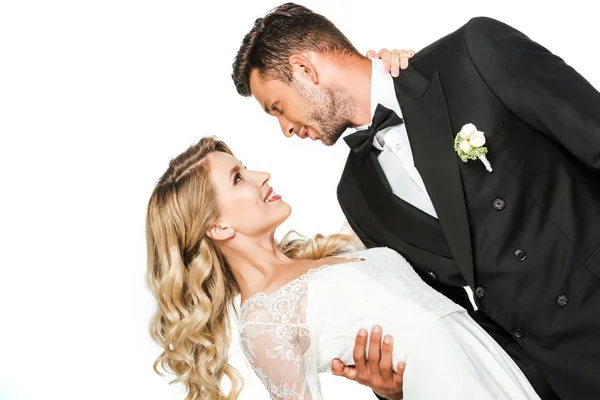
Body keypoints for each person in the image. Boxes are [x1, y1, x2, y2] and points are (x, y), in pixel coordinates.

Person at [231, 3, 600, 400]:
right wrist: (393, 389)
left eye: (277, 107)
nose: (285, 128)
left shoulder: (471, 56)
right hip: (547, 378)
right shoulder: (356, 195)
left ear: (305, 69)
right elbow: (443, 314)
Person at [145, 136, 543, 400]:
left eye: (245, 167)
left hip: (495, 364)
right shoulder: (265, 323)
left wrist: (394, 70)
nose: (261, 175)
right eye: (238, 178)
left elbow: (395, 172)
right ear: (218, 226)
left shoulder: (327, 252)